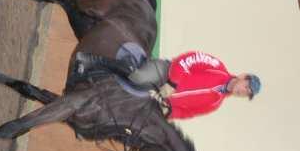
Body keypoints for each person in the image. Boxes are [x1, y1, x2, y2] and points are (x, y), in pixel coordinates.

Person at [75, 50, 261, 119]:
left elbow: (189, 112)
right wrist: (172, 83)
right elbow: (189, 59)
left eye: (247, 93)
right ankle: (93, 60)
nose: (243, 91)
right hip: (166, 73)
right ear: (243, 76)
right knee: (138, 78)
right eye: (246, 86)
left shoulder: (215, 104)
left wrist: (169, 111)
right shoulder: (217, 66)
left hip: (162, 100)